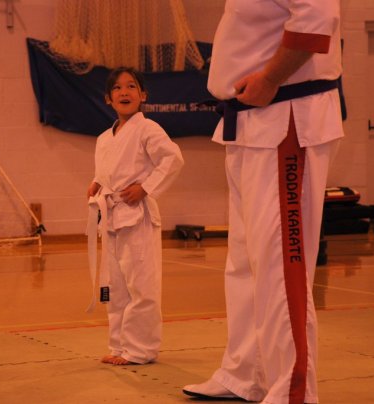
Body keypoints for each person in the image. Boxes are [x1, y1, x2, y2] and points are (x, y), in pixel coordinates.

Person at [183, 1, 344, 403]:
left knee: (279, 264)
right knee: (245, 260)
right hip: (252, 120)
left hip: (286, 117)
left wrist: (271, 77)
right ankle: (246, 372)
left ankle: (293, 391)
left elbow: (318, 18)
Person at [86, 67, 184, 366]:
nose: (124, 92)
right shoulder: (104, 138)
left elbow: (172, 159)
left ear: (143, 95)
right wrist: (97, 183)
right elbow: (109, 170)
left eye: (131, 86)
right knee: (116, 286)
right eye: (117, 88)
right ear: (108, 98)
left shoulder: (148, 128)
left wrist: (146, 188)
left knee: (142, 286)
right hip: (111, 217)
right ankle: (119, 346)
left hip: (138, 216)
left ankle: (140, 350)